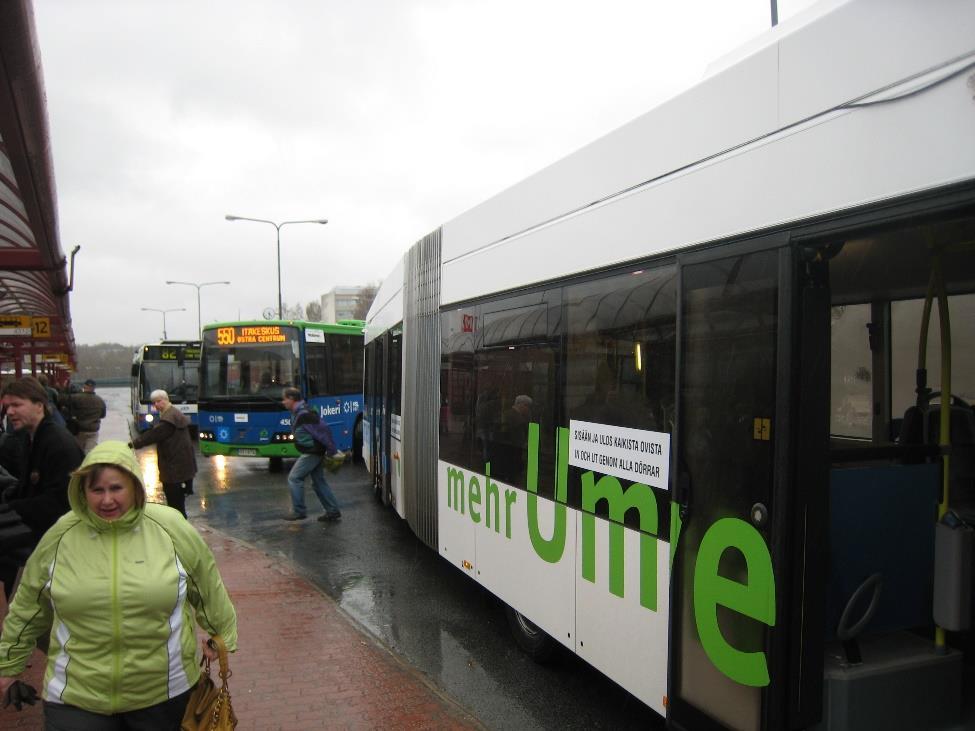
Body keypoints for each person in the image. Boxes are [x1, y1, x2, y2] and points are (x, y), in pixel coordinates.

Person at [0, 440, 237, 728]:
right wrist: (8, 663)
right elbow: (29, 606)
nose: (106, 500)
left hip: (164, 694)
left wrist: (221, 634)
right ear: (82, 492)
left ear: (136, 488)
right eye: (97, 490)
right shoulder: (61, 535)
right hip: (76, 697)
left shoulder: (171, 527)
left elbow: (206, 585)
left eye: (116, 488)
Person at [0, 377, 83, 599]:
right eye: (7, 406)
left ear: (39, 405)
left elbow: (60, 503)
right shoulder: (32, 437)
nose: (9, 412)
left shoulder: (57, 444)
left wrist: (11, 507)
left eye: (16, 405)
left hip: (57, 543)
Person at [129, 389, 197, 518]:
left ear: (166, 399)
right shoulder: (174, 413)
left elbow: (154, 435)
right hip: (183, 466)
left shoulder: (168, 418)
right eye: (154, 403)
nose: (156, 405)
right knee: (178, 502)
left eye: (158, 401)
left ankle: (178, 529)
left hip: (173, 467)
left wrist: (133, 444)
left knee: (175, 504)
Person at [281, 387, 342, 522]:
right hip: (313, 450)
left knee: (294, 478)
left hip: (312, 452)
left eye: (284, 399)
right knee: (318, 482)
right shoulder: (299, 412)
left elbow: (324, 431)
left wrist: (332, 451)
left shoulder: (305, 414)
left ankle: (299, 511)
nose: (283, 402)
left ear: (291, 399)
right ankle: (332, 511)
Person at [64, 378, 107, 453]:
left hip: (79, 430)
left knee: (78, 452)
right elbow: (103, 415)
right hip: (93, 431)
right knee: (90, 453)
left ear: (84, 387)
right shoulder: (100, 400)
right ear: (94, 388)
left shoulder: (76, 397)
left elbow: (62, 400)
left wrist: (64, 388)